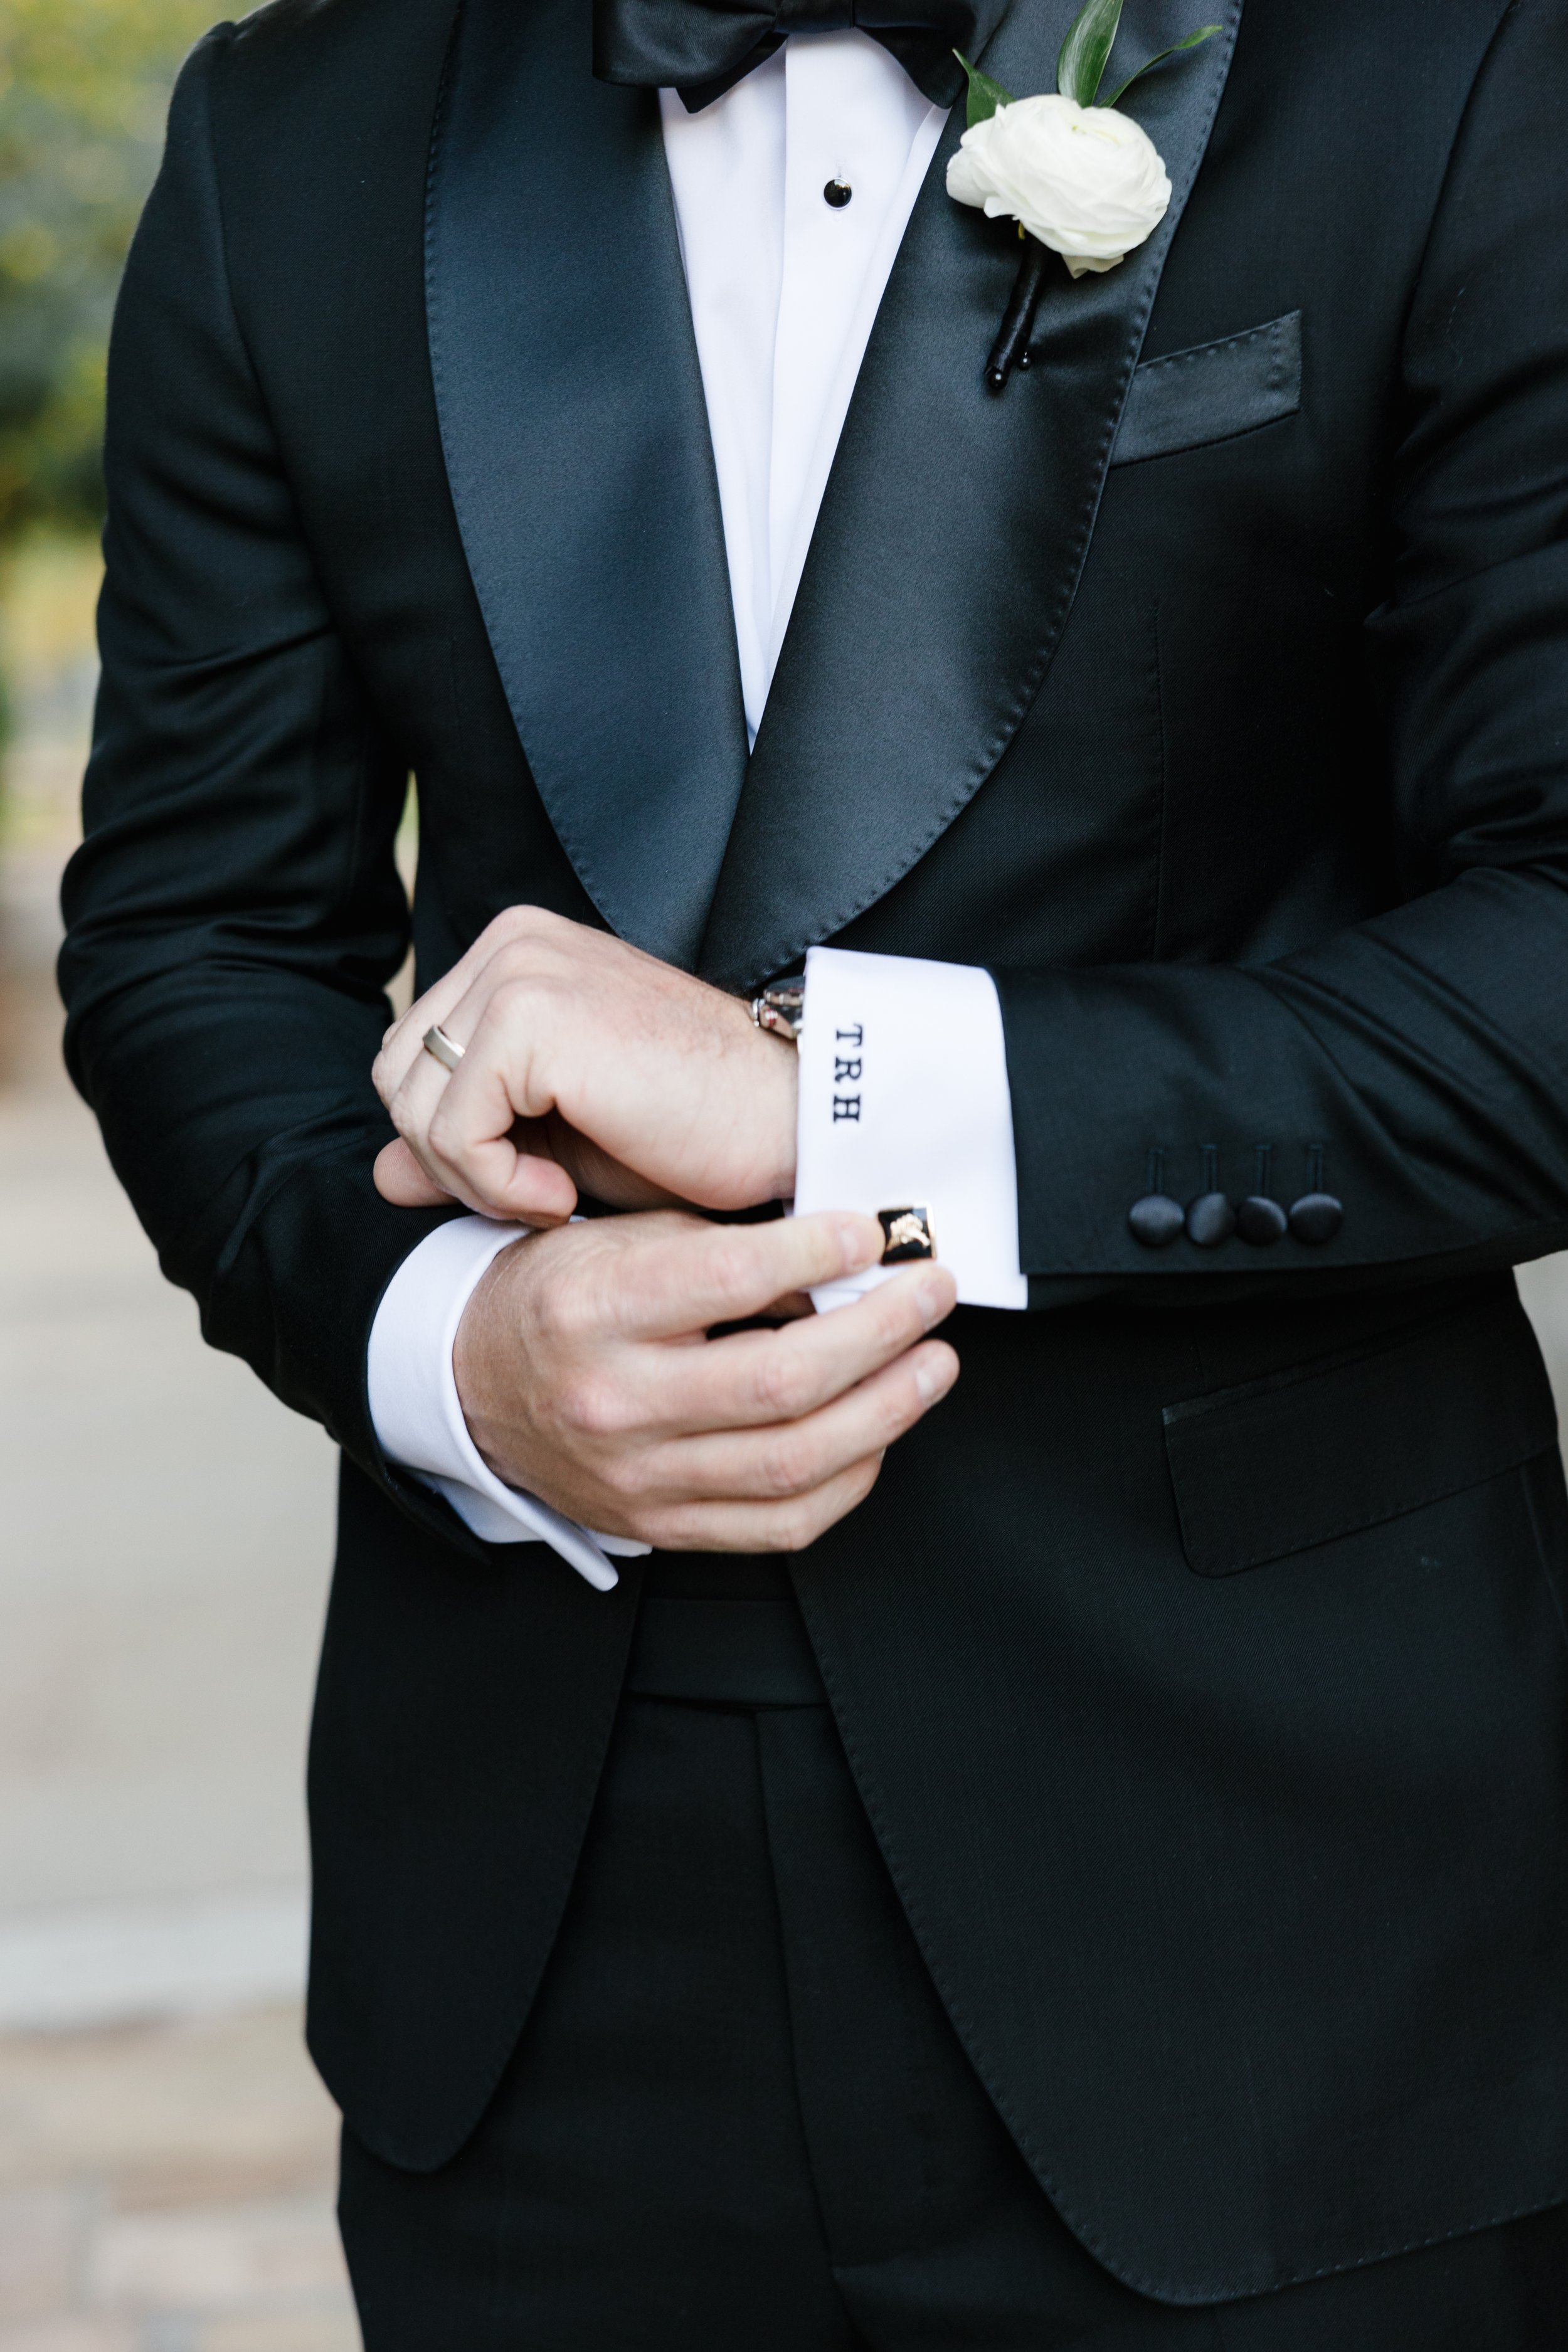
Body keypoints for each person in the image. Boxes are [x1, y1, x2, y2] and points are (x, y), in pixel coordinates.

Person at [60, 0, 1568, 2339]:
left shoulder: (1459, 60)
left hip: (1285, 1927)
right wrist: (442, 1345)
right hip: (541, 1945)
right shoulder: (299, 124)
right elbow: (196, 932)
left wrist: (831, 1096)